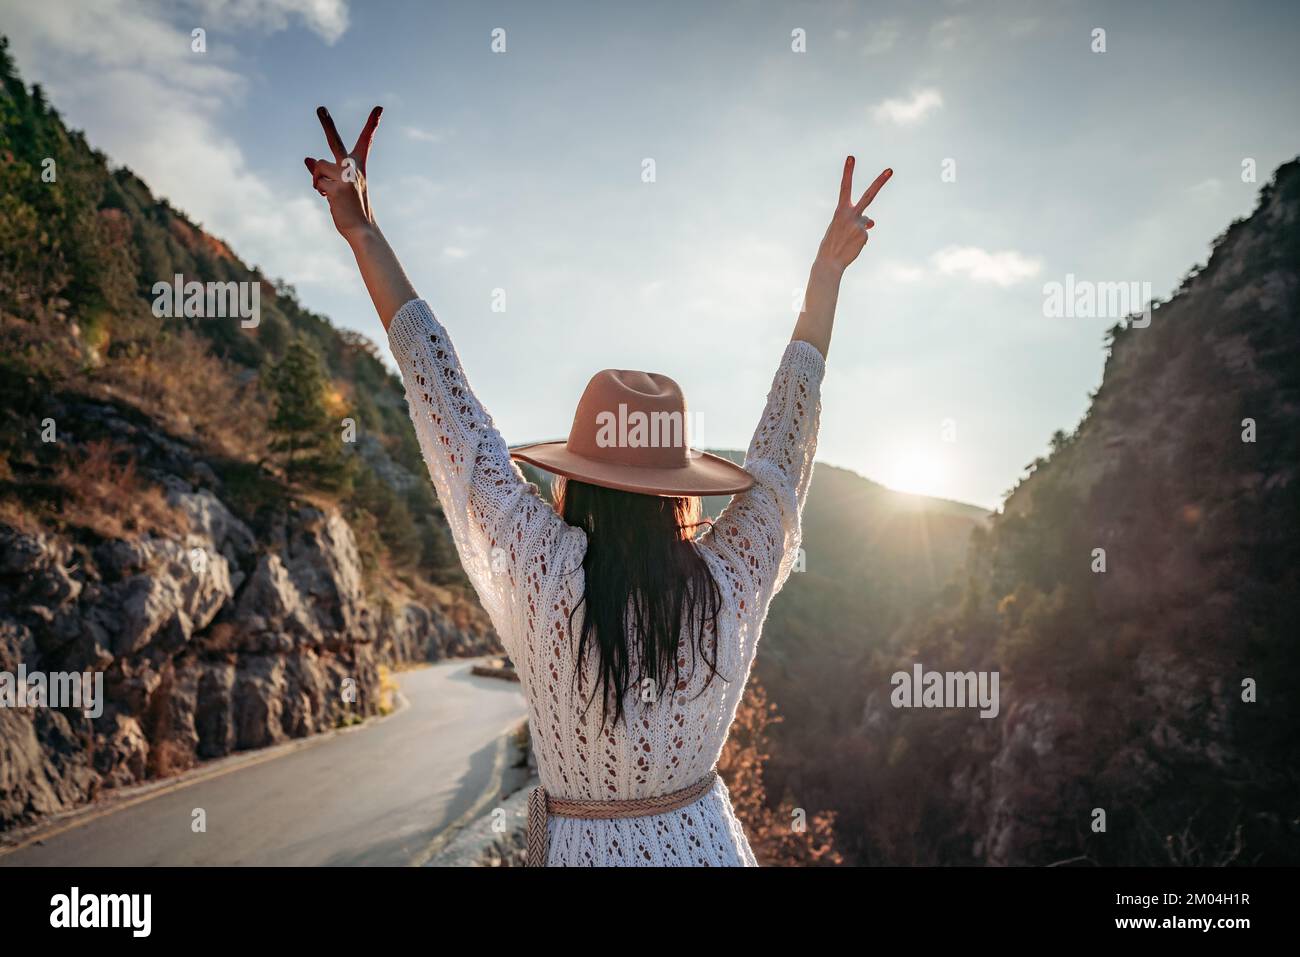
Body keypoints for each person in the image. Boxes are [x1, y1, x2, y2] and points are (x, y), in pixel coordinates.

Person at [305, 105, 891, 866]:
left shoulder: (543, 567)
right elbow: (784, 446)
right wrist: (824, 280)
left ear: (577, 479)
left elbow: (445, 399)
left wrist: (362, 232)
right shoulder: (729, 578)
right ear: (680, 487)